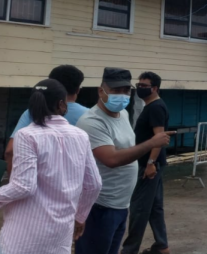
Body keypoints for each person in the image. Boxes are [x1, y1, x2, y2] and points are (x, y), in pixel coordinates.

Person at [76, 68, 172, 254]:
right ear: (101, 91)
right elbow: (111, 159)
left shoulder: (124, 115)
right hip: (100, 206)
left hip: (121, 205)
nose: (122, 95)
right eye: (115, 90)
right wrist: (151, 144)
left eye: (126, 91)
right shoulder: (92, 121)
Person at [0, 79, 102, 254]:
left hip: (23, 234)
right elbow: (94, 184)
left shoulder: (26, 135)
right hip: (60, 232)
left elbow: (24, 186)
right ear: (62, 104)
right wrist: (80, 217)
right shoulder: (81, 136)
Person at [5, 65, 89, 174]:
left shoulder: (32, 112)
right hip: (75, 183)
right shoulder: (90, 116)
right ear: (78, 90)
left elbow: (11, 151)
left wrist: (15, 180)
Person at [121, 72, 172, 254]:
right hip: (151, 164)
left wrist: (150, 163)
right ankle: (162, 245)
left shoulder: (156, 108)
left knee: (139, 209)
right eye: (139, 84)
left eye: (145, 85)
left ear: (155, 88)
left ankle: (129, 250)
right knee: (155, 208)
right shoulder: (150, 106)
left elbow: (159, 137)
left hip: (149, 165)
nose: (140, 88)